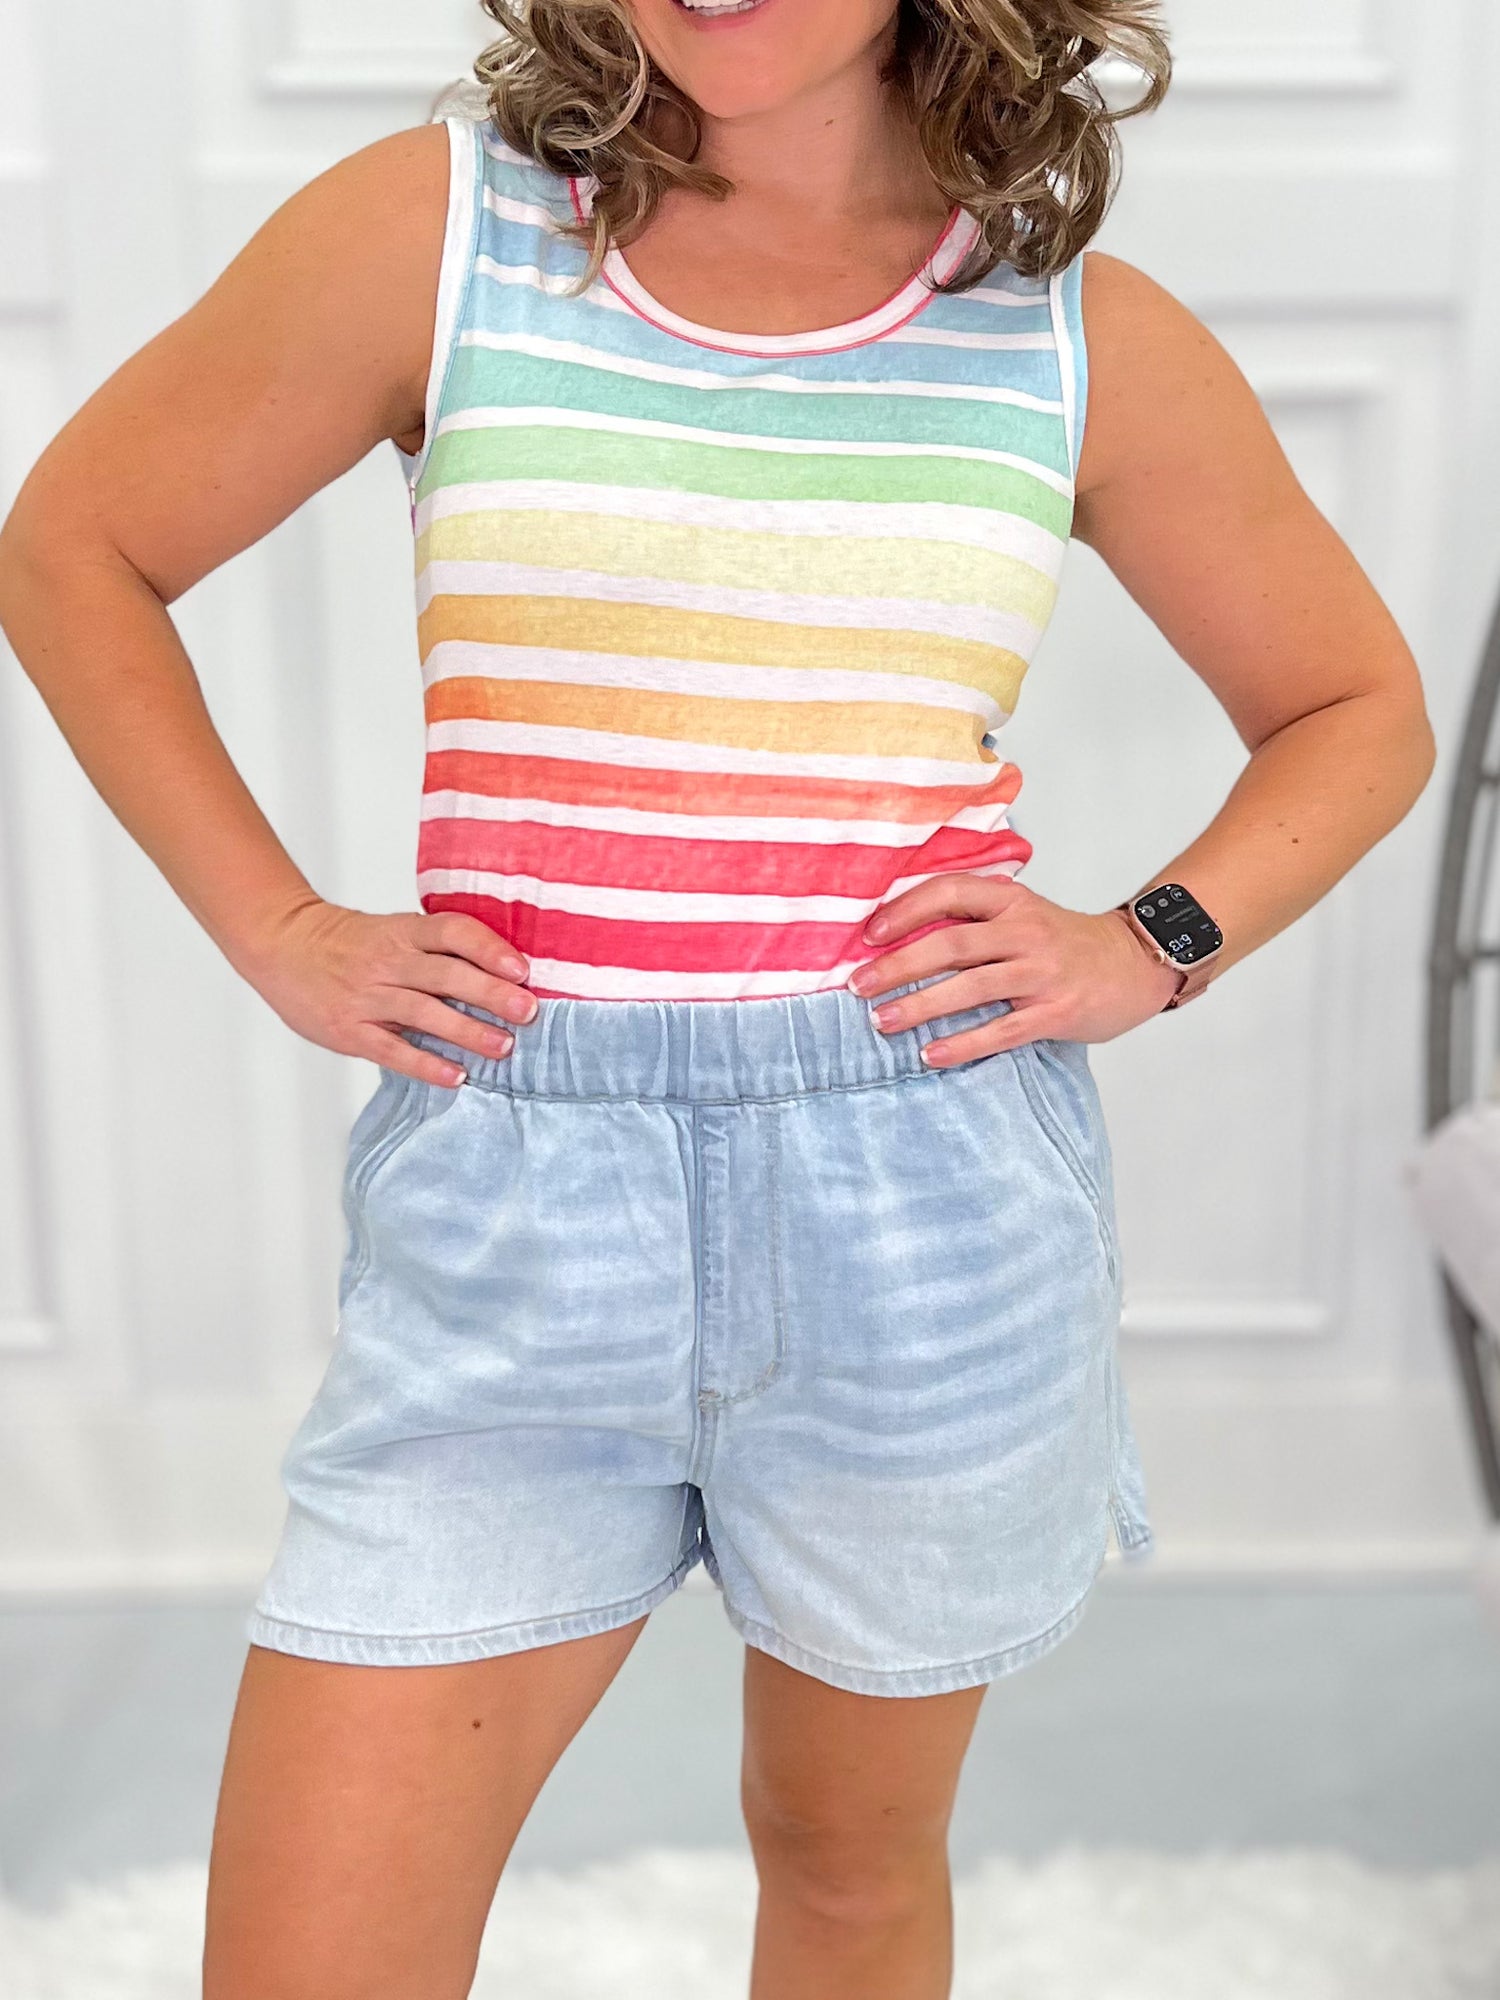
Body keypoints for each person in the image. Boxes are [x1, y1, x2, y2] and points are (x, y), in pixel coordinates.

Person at [0, 1, 1435, 1995]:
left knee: (845, 1867)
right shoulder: (437, 235)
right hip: (517, 1205)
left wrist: (1147, 941)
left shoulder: (1071, 338)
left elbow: (1356, 707)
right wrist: (277, 924)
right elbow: (75, 544)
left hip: (922, 1209)